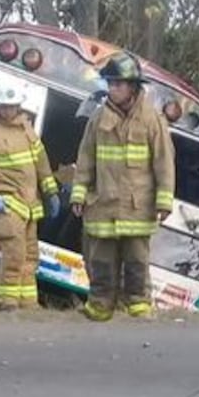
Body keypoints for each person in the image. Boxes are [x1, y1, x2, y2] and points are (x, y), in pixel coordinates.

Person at [69, 51, 175, 321]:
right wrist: (78, 194)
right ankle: (100, 306)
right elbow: (85, 159)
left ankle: (138, 305)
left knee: (137, 261)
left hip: (137, 207)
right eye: (110, 84)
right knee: (101, 260)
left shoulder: (152, 120)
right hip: (103, 204)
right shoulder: (97, 118)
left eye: (118, 84)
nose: (112, 89)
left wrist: (164, 201)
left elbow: (164, 162)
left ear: (132, 87)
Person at [0, 82, 60, 310]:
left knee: (30, 256)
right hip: (6, 203)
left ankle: (28, 304)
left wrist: (50, 190)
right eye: (4, 106)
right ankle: (7, 303)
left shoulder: (26, 127)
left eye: (13, 106)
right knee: (14, 254)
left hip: (29, 205)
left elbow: (41, 162)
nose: (8, 110)